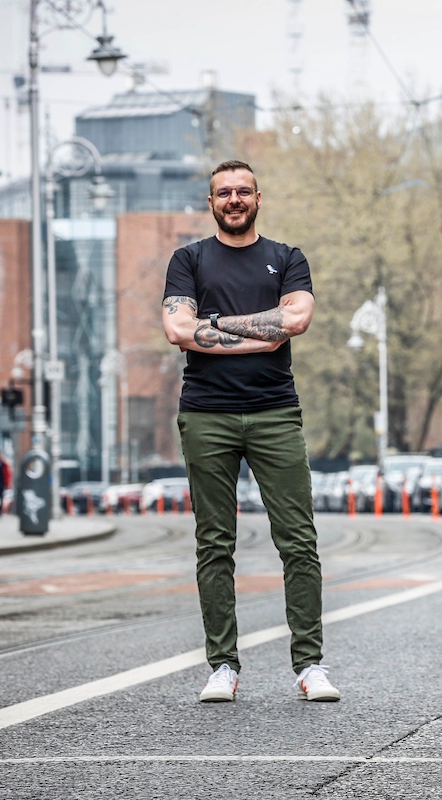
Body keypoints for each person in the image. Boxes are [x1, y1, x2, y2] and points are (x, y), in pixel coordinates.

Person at [162, 159, 338, 704]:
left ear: (258, 198)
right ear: (210, 202)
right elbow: (175, 329)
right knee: (214, 543)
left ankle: (310, 665)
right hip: (206, 414)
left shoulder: (287, 258)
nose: (234, 199)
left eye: (243, 191)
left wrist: (210, 327)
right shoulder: (187, 260)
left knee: (299, 540)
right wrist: (258, 329)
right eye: (223, 193)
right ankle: (222, 666)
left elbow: (293, 323)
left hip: (274, 413)